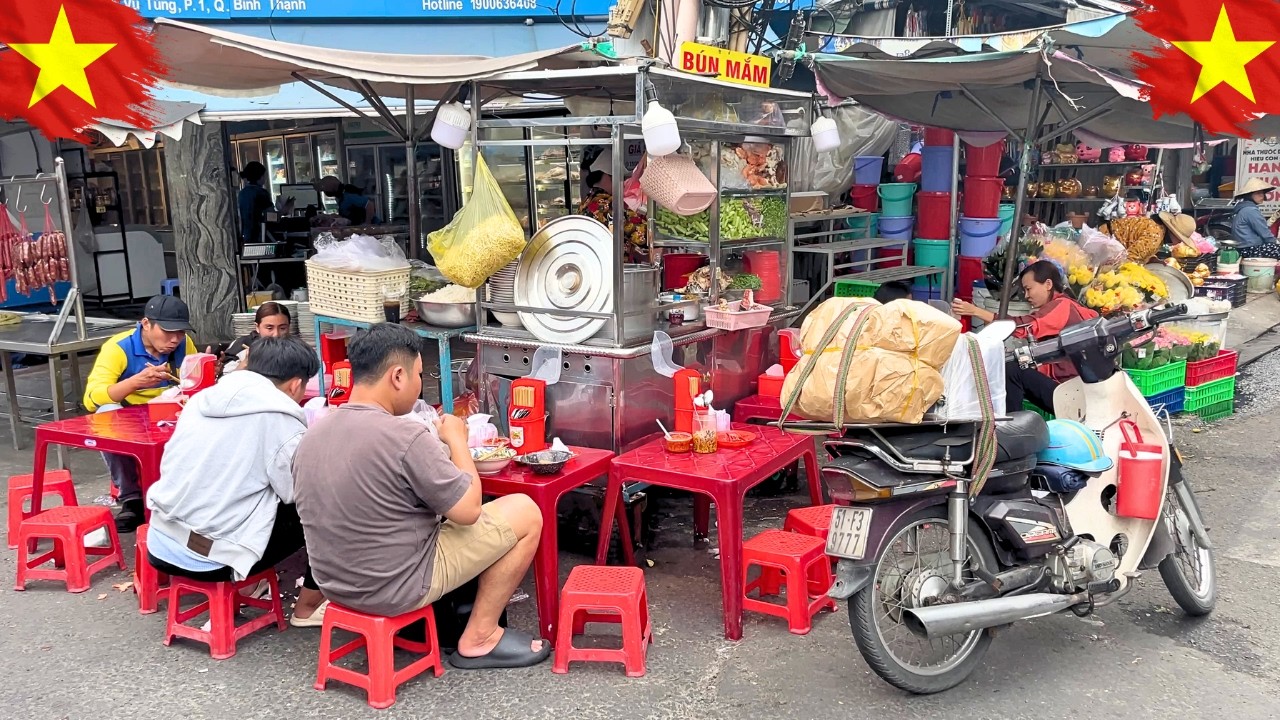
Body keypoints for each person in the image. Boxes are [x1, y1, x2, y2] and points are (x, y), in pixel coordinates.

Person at [292, 323, 549, 669]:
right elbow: (469, 511)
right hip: (398, 587)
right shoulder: (404, 436)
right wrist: (456, 439)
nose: (418, 386)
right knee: (525, 510)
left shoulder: (311, 435)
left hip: (335, 586)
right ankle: (480, 636)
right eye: (418, 375)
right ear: (397, 376)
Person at [145, 337, 328, 626]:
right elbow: (296, 492)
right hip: (212, 559)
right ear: (295, 385)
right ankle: (308, 606)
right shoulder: (280, 420)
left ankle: (250, 585)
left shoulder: (200, 401)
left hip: (161, 540)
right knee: (326, 506)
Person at [84, 295, 198, 533]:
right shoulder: (117, 348)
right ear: (146, 324)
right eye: (168, 332)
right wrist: (135, 382)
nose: (175, 339)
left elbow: (190, 385)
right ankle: (131, 498)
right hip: (129, 417)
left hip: (168, 414)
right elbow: (91, 399)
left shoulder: (184, 344)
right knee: (105, 414)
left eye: (180, 332)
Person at [950, 260, 1099, 414]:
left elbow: (1022, 326)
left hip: (1070, 395)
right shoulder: (1077, 307)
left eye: (1029, 289)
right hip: (1082, 392)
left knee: (1011, 371)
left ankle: (1012, 426)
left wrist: (975, 311)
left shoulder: (1062, 307)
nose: (1027, 296)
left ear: (1048, 284)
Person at [578, 148, 647, 262]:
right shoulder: (606, 203)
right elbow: (640, 234)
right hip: (610, 267)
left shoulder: (587, 200)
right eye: (620, 178)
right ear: (607, 176)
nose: (622, 183)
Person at [222, 301, 292, 369]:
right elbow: (226, 373)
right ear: (257, 327)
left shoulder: (294, 347)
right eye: (270, 328)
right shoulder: (242, 344)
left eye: (282, 328)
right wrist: (245, 364)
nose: (276, 334)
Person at [1230, 178, 1280, 259]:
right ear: (1249, 195)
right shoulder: (1251, 210)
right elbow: (1264, 233)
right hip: (1250, 249)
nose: (1262, 196)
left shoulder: (1244, 208)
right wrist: (1275, 242)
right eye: (1258, 193)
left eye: (1262, 193)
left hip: (1244, 248)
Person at [238, 161, 273, 247]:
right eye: (264, 175)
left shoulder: (241, 193)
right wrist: (284, 209)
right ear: (260, 177)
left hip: (245, 237)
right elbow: (272, 217)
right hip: (259, 236)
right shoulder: (261, 193)